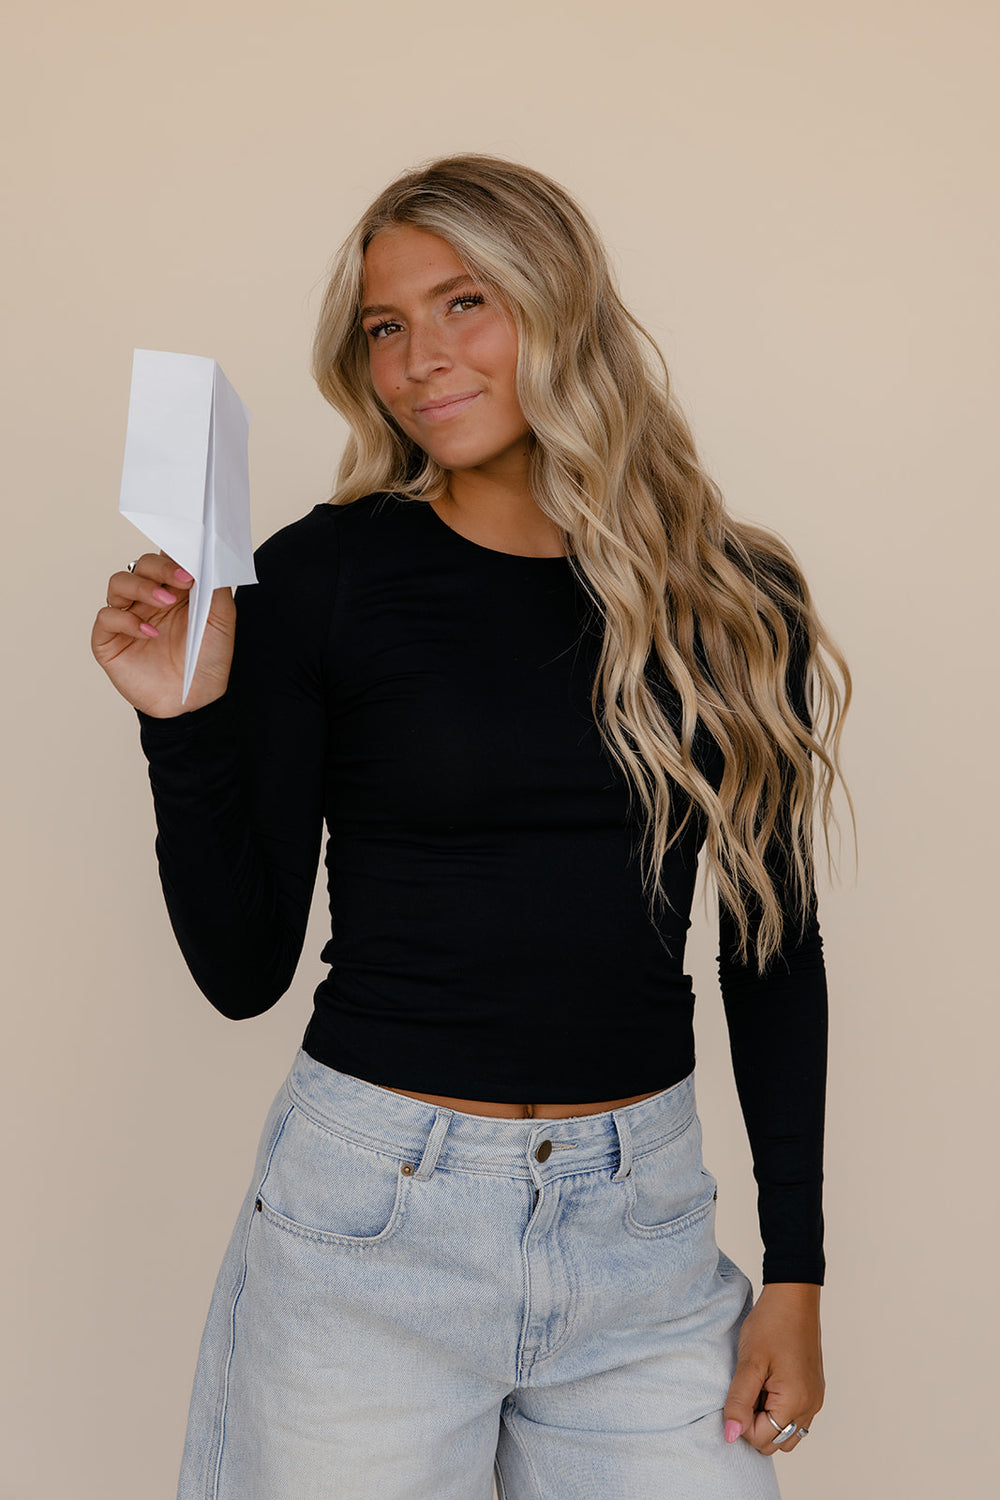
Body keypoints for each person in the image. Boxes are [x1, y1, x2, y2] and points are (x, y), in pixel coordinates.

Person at [91, 153, 850, 1499]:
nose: (416, 360)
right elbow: (243, 969)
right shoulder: (324, 579)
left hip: (647, 1237)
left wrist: (795, 1270)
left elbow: (771, 949)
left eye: (464, 304)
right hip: (374, 1225)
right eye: (385, 326)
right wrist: (184, 722)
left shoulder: (735, 598)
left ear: (561, 308)